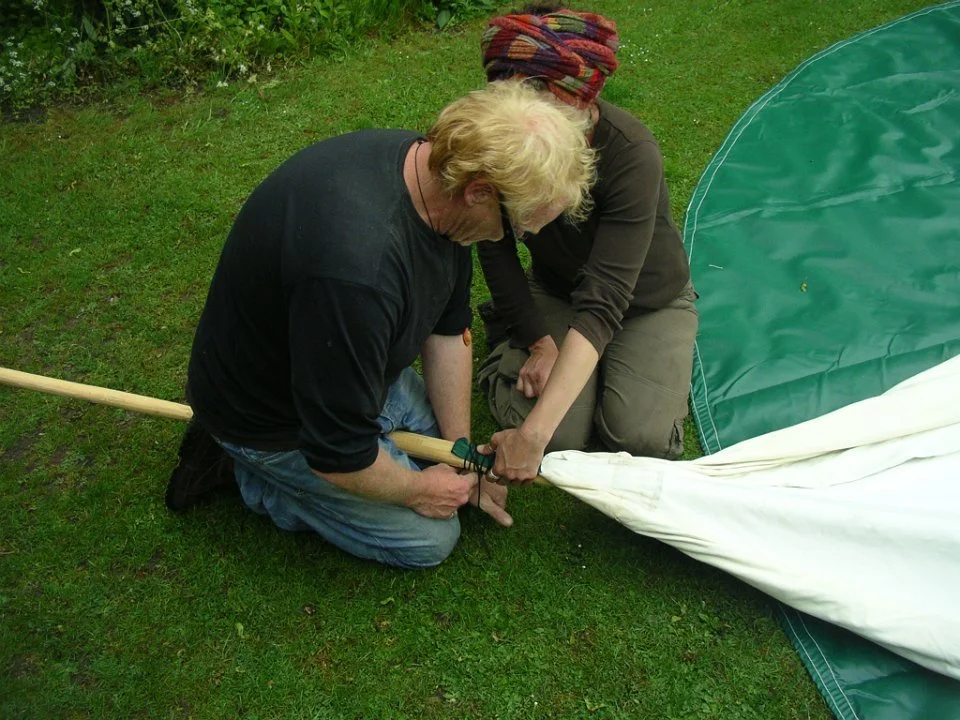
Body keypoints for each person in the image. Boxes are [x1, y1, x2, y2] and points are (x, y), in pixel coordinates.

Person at [167, 80, 596, 569]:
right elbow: (337, 454)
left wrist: (456, 455)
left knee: (431, 466)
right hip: (270, 418)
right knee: (430, 538)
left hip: (343, 369)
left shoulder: (436, 176)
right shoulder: (357, 273)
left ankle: (371, 445)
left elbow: (448, 329)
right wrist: (418, 489)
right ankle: (245, 471)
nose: (514, 239)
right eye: (517, 228)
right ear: (479, 192)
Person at [476, 5, 699, 485]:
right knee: (561, 436)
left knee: (638, 436)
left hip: (648, 302)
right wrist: (538, 341)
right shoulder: (504, 137)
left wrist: (530, 436)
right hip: (558, 291)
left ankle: (639, 366)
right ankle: (510, 344)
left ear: (572, 100)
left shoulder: (631, 153)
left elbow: (605, 298)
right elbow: (492, 242)